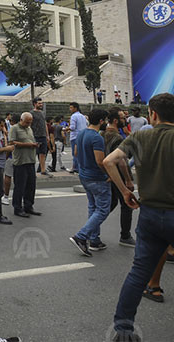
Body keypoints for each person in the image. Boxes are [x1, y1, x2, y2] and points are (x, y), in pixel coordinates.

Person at [104, 93, 174, 341]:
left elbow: (110, 161)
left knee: (139, 272)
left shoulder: (140, 136)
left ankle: (123, 329)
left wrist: (125, 191)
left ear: (153, 114)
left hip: (150, 214)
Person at [69, 109, 110, 256]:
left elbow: (75, 153)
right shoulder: (97, 138)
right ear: (101, 121)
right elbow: (100, 161)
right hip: (97, 177)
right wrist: (109, 173)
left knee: (93, 207)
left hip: (84, 175)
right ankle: (81, 236)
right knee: (103, 209)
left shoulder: (81, 134)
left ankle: (94, 240)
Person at [102, 108, 136, 247]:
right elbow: (122, 161)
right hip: (118, 175)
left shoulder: (102, 134)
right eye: (122, 118)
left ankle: (91, 229)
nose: (125, 120)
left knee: (110, 204)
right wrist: (128, 179)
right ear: (115, 120)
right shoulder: (117, 138)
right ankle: (125, 235)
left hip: (108, 174)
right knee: (126, 204)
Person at [9, 112, 40, 218]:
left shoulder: (29, 128)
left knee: (31, 185)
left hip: (30, 160)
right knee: (20, 186)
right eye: (27, 122)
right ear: (21, 120)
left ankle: (28, 206)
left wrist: (34, 145)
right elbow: (12, 143)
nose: (28, 124)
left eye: (30, 122)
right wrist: (29, 144)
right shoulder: (14, 128)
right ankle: (17, 208)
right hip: (20, 161)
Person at [30, 97, 52, 177]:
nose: (41, 104)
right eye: (39, 103)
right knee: (33, 154)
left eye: (41, 103)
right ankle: (32, 172)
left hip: (43, 136)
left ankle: (43, 170)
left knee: (43, 153)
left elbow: (45, 124)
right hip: (35, 136)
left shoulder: (43, 113)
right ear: (35, 104)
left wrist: (47, 135)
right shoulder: (31, 113)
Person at [68, 102, 87, 174]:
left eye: (71, 108)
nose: (70, 109)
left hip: (75, 136)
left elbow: (72, 127)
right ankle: (79, 167)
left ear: (75, 108)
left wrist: (66, 129)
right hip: (83, 136)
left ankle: (76, 168)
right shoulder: (82, 116)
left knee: (75, 153)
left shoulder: (73, 116)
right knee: (81, 153)